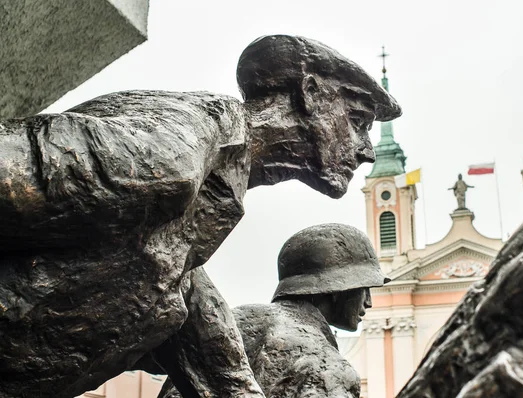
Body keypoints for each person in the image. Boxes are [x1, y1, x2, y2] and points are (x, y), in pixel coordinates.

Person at [0, 35, 401, 398]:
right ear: (311, 93)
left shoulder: (195, 227)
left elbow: (218, 365)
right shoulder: (171, 154)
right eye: (359, 122)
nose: (365, 149)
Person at [159, 223, 390, 398]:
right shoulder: (330, 366)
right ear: (338, 288)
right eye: (364, 288)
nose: (368, 302)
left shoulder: (232, 320)